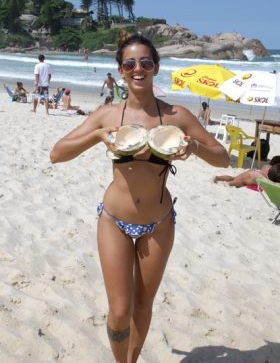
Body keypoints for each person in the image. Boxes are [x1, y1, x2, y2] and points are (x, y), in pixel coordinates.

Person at [50, 34, 229, 363]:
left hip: (158, 225)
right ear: (120, 69)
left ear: (155, 67)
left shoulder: (176, 116)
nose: (138, 69)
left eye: (146, 62)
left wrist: (196, 148)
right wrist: (95, 136)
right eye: (130, 63)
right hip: (114, 221)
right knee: (119, 311)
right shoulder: (108, 114)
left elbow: (223, 158)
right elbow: (57, 154)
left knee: (143, 305)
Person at [214, 156, 280, 187]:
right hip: (256, 176)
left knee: (234, 178)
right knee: (243, 182)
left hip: (253, 171)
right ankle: (229, 183)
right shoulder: (273, 169)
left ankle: (218, 178)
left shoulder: (265, 165)